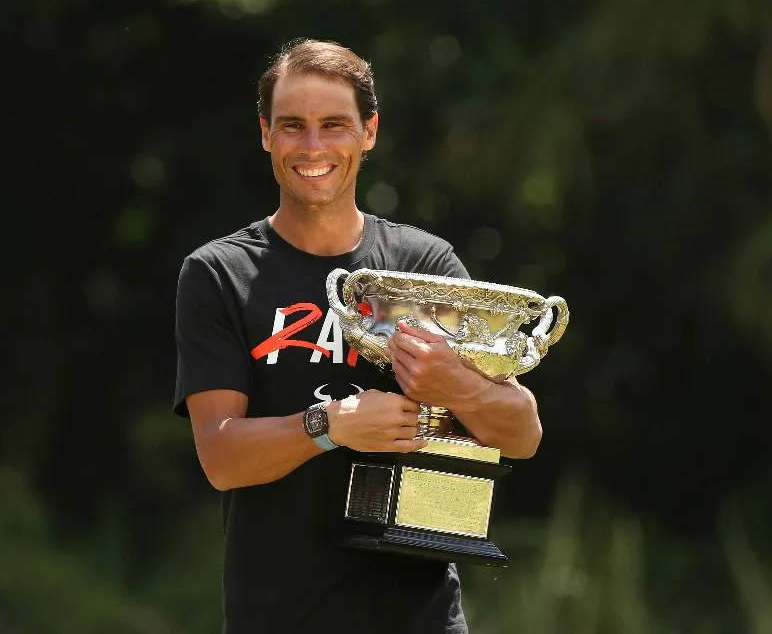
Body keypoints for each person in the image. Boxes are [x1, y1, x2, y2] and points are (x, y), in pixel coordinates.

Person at [173, 38, 544, 634]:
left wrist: (458, 387)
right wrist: (331, 426)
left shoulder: (424, 265)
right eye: (292, 125)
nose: (313, 146)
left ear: (368, 132)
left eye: (335, 125)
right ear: (265, 132)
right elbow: (220, 457)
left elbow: (522, 433)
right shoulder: (221, 274)